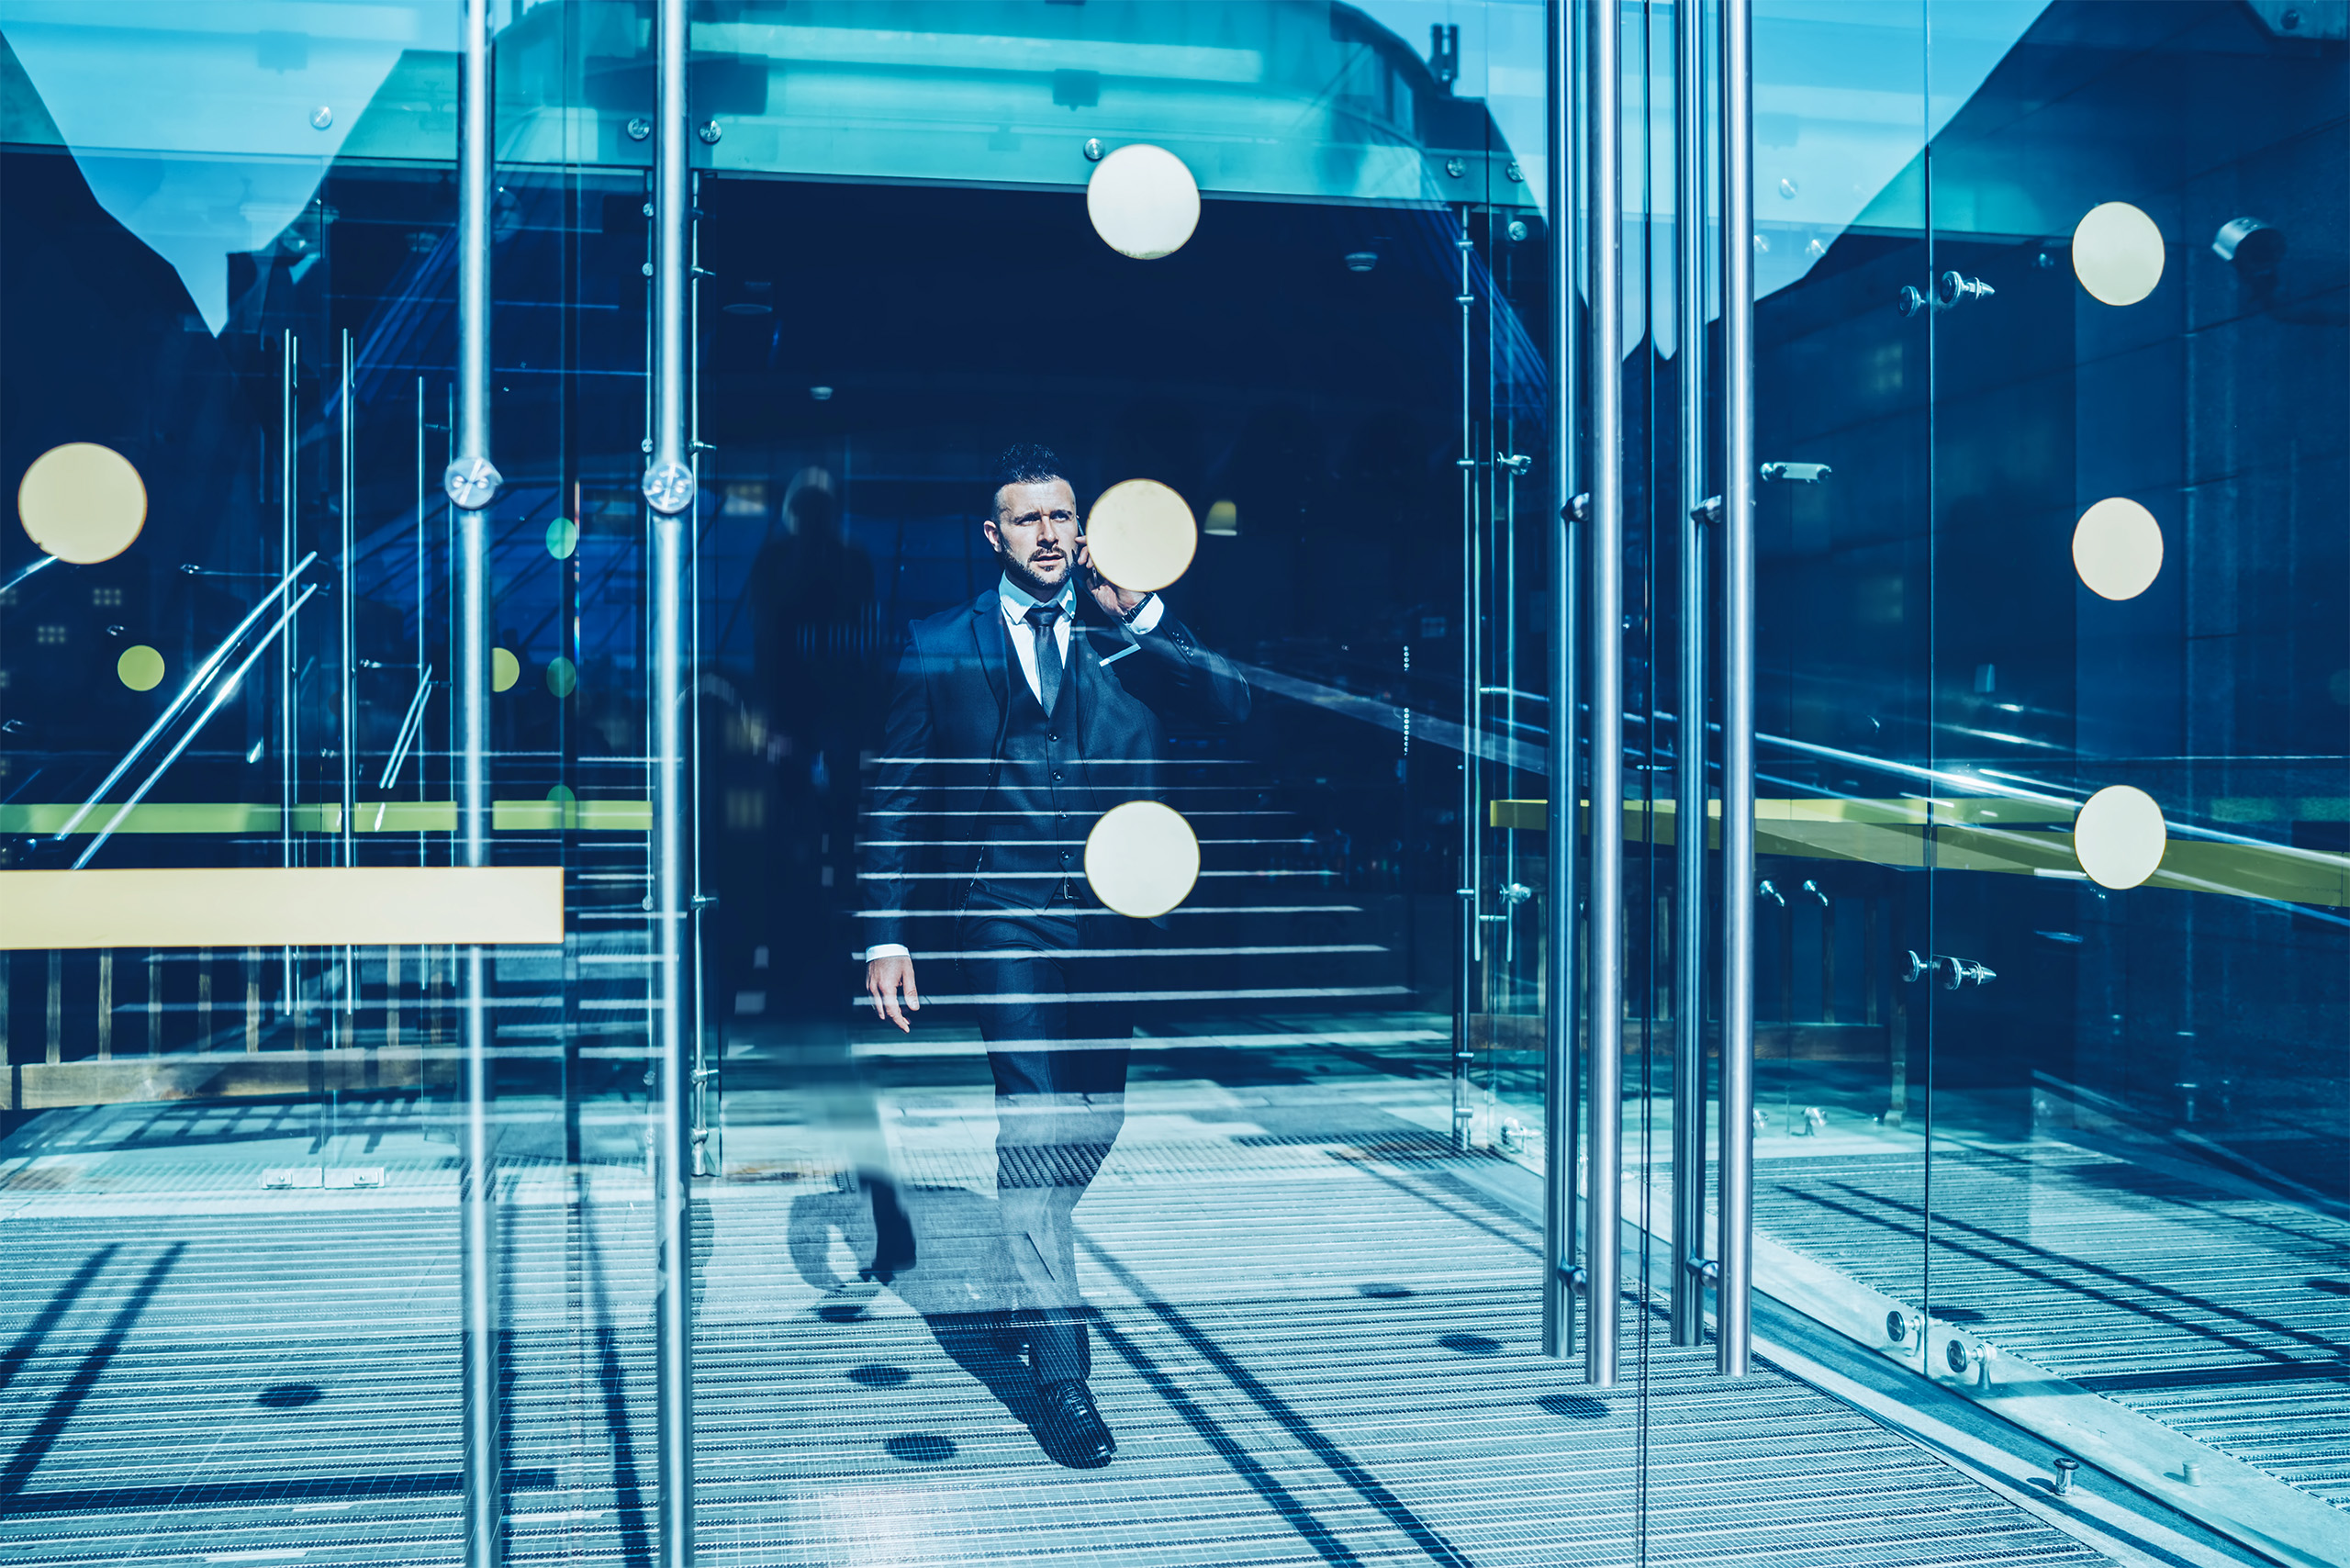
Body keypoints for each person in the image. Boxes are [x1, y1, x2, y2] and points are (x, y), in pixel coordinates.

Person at [860, 443, 1249, 1467]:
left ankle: (1024, 1244)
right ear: (993, 536)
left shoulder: (1125, 634)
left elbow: (1233, 704)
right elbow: (894, 791)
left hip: (1113, 919)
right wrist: (887, 932)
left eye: (1060, 518)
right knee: (1032, 1115)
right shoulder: (938, 639)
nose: (1047, 535)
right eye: (1026, 520)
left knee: (1095, 1114)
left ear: (1083, 529)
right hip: (1004, 918)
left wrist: (1147, 615)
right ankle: (1062, 1374)